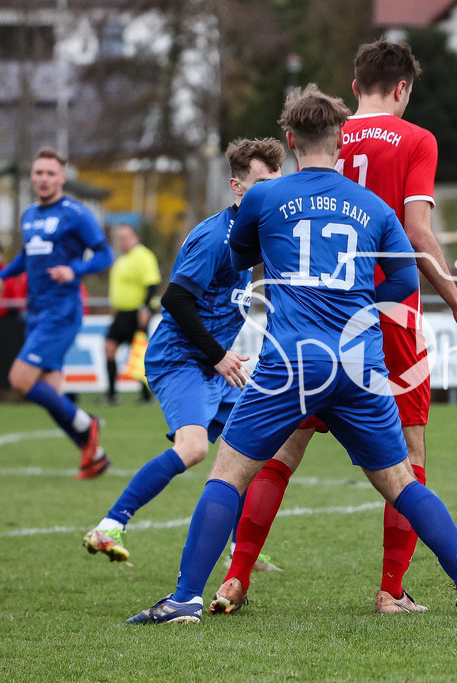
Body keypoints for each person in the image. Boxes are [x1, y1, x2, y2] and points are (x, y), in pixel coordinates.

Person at [126, 85, 457, 623]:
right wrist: (363, 307)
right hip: (359, 366)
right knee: (400, 483)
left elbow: (240, 255)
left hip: (290, 362)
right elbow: (403, 275)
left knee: (228, 472)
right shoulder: (374, 206)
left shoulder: (262, 197)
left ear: (291, 139)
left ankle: (186, 597)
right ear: (341, 141)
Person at [216, 40, 457, 616]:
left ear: (355, 86)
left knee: (283, 449)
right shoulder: (417, 140)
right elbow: (417, 231)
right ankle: (391, 591)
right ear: (403, 88)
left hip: (313, 314)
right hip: (385, 312)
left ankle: (236, 578)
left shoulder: (328, 133)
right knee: (408, 458)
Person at [81, 138, 285, 563]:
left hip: (212, 364)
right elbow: (174, 299)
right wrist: (217, 355)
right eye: (261, 182)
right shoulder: (215, 238)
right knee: (194, 449)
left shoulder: (257, 236)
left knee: (252, 450)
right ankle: (109, 526)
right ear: (237, 186)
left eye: (275, 180)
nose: (271, 190)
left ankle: (232, 552)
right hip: (180, 358)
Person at [0, 147, 114, 479]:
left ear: (61, 178)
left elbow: (105, 255)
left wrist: (75, 270)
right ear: (32, 176)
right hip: (37, 310)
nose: (43, 178)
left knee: (20, 379)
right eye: (38, 172)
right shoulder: (29, 214)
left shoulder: (76, 213)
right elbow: (28, 255)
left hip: (62, 311)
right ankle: (95, 456)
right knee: (50, 394)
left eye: (50, 173)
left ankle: (89, 424)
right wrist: (1, 276)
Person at [103, 223, 161, 405]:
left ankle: (146, 396)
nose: (122, 241)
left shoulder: (143, 256)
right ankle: (112, 394)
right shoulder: (121, 260)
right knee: (109, 348)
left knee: (138, 354)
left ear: (135, 237)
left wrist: (145, 307)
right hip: (121, 313)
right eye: (119, 238)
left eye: (126, 237)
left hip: (136, 313)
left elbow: (152, 284)